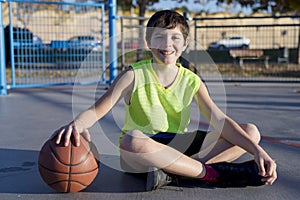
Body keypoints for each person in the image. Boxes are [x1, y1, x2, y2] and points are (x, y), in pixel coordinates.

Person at [52, 10, 277, 191]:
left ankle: (173, 174)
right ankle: (214, 174)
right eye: (159, 37)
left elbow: (218, 119)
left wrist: (258, 151)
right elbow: (97, 109)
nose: (167, 44)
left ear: (185, 44)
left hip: (180, 146)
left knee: (251, 132)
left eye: (175, 38)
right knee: (132, 140)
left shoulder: (192, 80)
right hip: (143, 152)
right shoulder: (133, 75)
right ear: (149, 42)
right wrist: (78, 124)